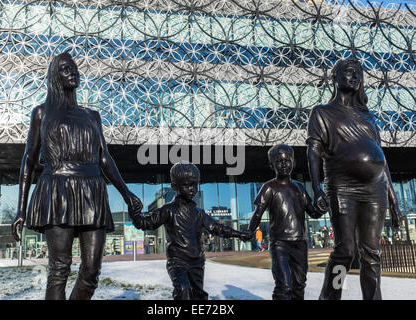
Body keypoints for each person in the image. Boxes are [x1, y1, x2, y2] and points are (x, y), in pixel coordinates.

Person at [11, 52, 141, 300]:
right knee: (59, 269)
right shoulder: (41, 113)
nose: (72, 72)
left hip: (92, 190)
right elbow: (28, 160)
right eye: (65, 69)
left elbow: (105, 158)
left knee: (92, 270)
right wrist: (20, 209)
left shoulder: (92, 116)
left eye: (74, 67)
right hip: (56, 190)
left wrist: (126, 193)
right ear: (54, 76)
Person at [306, 59, 402, 300]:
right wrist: (317, 189)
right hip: (342, 187)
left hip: (375, 189)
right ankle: (330, 295)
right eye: (349, 73)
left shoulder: (368, 118)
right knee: (345, 251)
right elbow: (313, 152)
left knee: (372, 254)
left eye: (358, 74)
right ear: (335, 77)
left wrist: (395, 202)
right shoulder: (322, 113)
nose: (354, 77)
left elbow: (383, 162)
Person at [128, 161, 252, 300]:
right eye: (187, 185)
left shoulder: (199, 213)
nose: (192, 189)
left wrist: (239, 234)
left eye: (195, 184)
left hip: (197, 262)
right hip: (177, 261)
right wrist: (134, 213)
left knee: (198, 296)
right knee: (183, 290)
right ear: (175, 186)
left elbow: (218, 228)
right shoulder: (168, 210)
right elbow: (146, 223)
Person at [248, 144, 324, 300]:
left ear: (293, 162)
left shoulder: (300, 188)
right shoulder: (268, 187)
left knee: (299, 284)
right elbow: (257, 214)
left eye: (287, 160)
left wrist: (323, 207)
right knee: (284, 285)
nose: (284, 164)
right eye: (279, 161)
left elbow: (313, 212)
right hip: (280, 243)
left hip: (300, 243)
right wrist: (249, 231)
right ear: (272, 165)